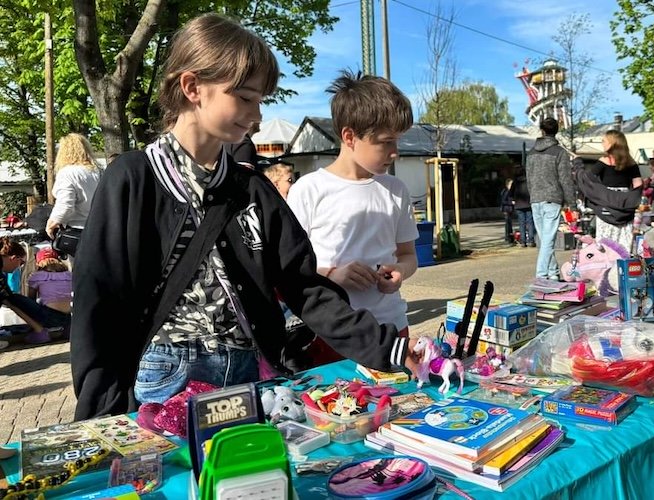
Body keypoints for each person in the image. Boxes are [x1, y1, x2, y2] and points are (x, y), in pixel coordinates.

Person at [71, 14, 416, 420]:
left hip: (248, 371)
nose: (256, 114)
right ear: (192, 87)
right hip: (166, 373)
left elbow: (305, 288)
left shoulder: (251, 189)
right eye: (246, 97)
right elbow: (99, 303)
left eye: (260, 100)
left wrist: (389, 348)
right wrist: (101, 411)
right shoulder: (133, 179)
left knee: (251, 480)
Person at [287, 70, 418, 340]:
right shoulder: (309, 190)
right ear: (349, 137)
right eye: (385, 142)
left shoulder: (396, 190)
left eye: (398, 140)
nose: (395, 152)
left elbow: (408, 255)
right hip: (332, 331)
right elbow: (289, 272)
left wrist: (400, 272)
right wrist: (331, 275)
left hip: (390, 327)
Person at [526, 117, 576, 280]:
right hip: (552, 199)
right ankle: (541, 275)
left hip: (535, 199)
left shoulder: (531, 153)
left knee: (545, 240)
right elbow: (566, 179)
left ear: (542, 130)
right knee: (547, 241)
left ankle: (553, 273)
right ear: (557, 130)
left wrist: (533, 194)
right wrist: (572, 205)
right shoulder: (559, 152)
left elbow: (529, 178)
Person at [0, 240, 71, 344]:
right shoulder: (69, 275)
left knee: (13, 299)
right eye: (22, 263)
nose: (20, 267)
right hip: (69, 317)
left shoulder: (36, 276)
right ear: (13, 258)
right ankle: (69, 329)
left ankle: (39, 331)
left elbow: (30, 300)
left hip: (47, 318)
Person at [585, 130, 643, 252]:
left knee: (605, 237)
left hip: (607, 200)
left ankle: (606, 263)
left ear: (612, 143)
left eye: (604, 141)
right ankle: (621, 264)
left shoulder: (604, 161)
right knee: (624, 236)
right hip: (624, 202)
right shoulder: (631, 163)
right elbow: (638, 184)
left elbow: (589, 178)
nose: (602, 143)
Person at [45, 133, 103, 240]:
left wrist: (51, 223)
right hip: (101, 227)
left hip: (77, 230)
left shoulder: (66, 173)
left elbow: (65, 205)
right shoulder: (98, 171)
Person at [511, 168, 535, 247]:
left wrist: (513, 199)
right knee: (530, 222)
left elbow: (510, 192)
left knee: (522, 223)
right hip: (528, 203)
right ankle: (531, 240)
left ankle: (523, 241)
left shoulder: (515, 182)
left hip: (518, 204)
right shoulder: (529, 181)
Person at [499, 178, 514, 244]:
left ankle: (509, 237)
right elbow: (503, 201)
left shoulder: (508, 191)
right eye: (511, 184)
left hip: (508, 209)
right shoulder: (506, 191)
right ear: (508, 184)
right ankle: (508, 238)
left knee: (509, 224)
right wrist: (511, 202)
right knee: (508, 224)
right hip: (507, 209)